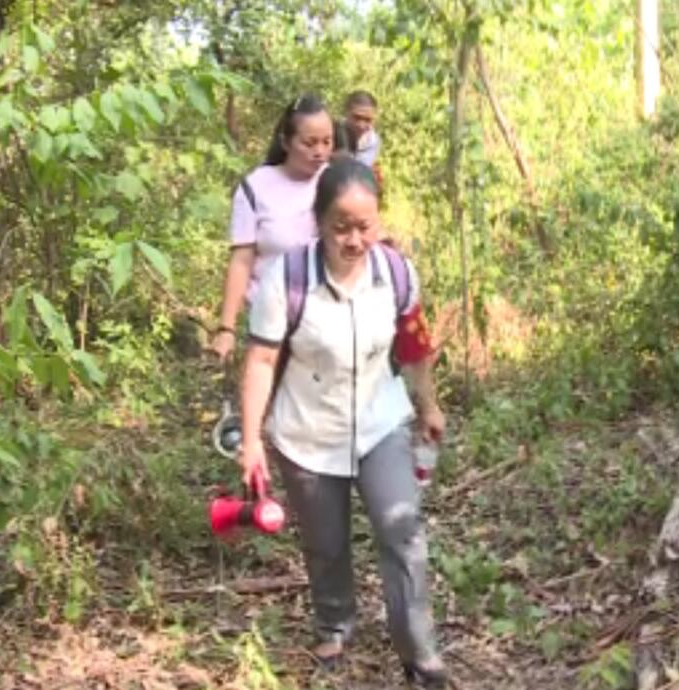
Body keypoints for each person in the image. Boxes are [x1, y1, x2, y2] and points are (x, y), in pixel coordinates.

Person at [236, 158, 449, 686]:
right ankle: (335, 622)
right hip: (307, 432)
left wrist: (428, 404)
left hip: (380, 422)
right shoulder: (288, 279)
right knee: (325, 542)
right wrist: (251, 438)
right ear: (318, 222)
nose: (354, 240)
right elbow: (261, 360)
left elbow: (414, 345)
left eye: (364, 226)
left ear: (378, 221)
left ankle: (418, 649)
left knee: (402, 530)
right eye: (341, 227)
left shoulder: (395, 272)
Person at [210, 93, 341, 361]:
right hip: (268, 322)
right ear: (285, 142)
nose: (320, 151)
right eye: (309, 143)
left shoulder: (337, 183)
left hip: (328, 322)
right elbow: (242, 260)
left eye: (327, 142)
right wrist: (226, 328)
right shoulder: (255, 188)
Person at [342, 90, 384, 190]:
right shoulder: (331, 134)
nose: (361, 125)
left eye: (367, 120)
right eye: (357, 118)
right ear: (346, 112)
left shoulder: (373, 142)